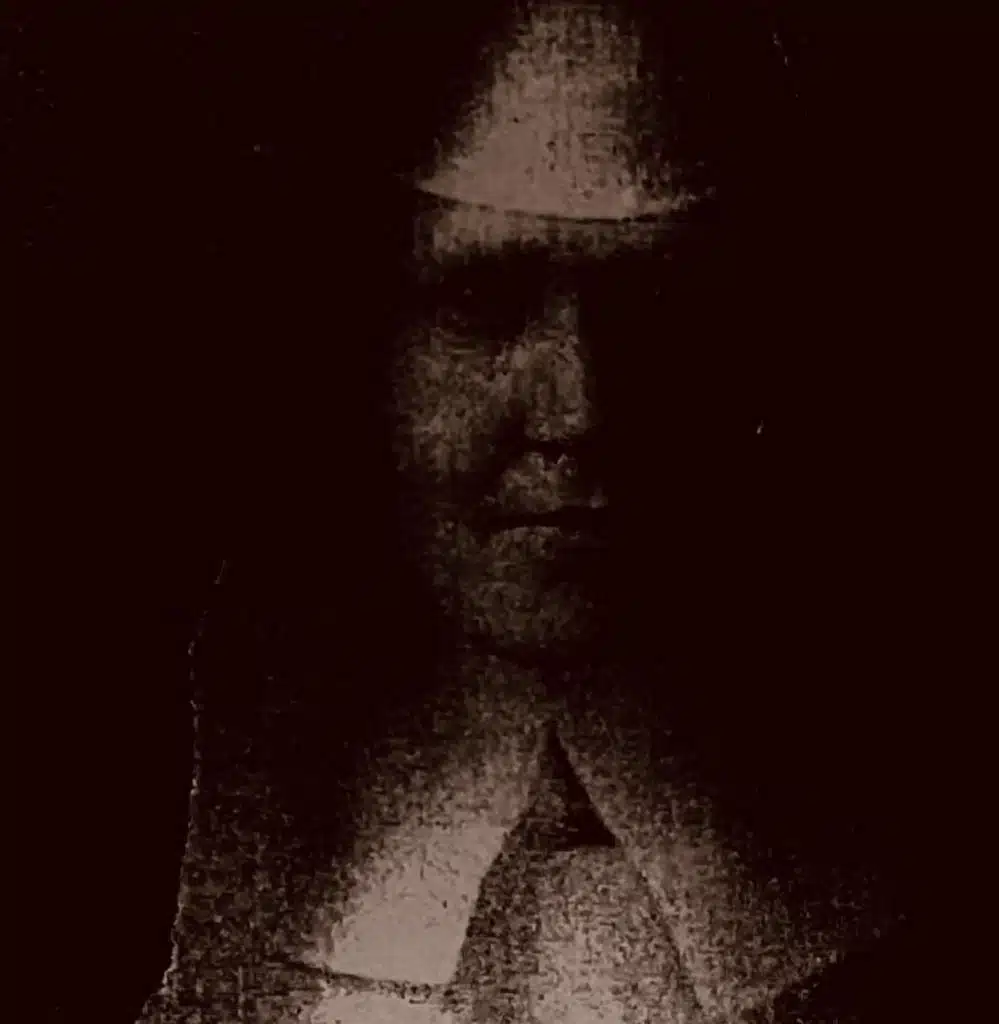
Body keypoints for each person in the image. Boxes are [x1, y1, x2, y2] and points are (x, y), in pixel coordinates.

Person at [136, 3, 919, 1022]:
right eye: (483, 302)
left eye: (651, 304)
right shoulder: (179, 902)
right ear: (365, 333)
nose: (578, 409)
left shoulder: (909, 924)